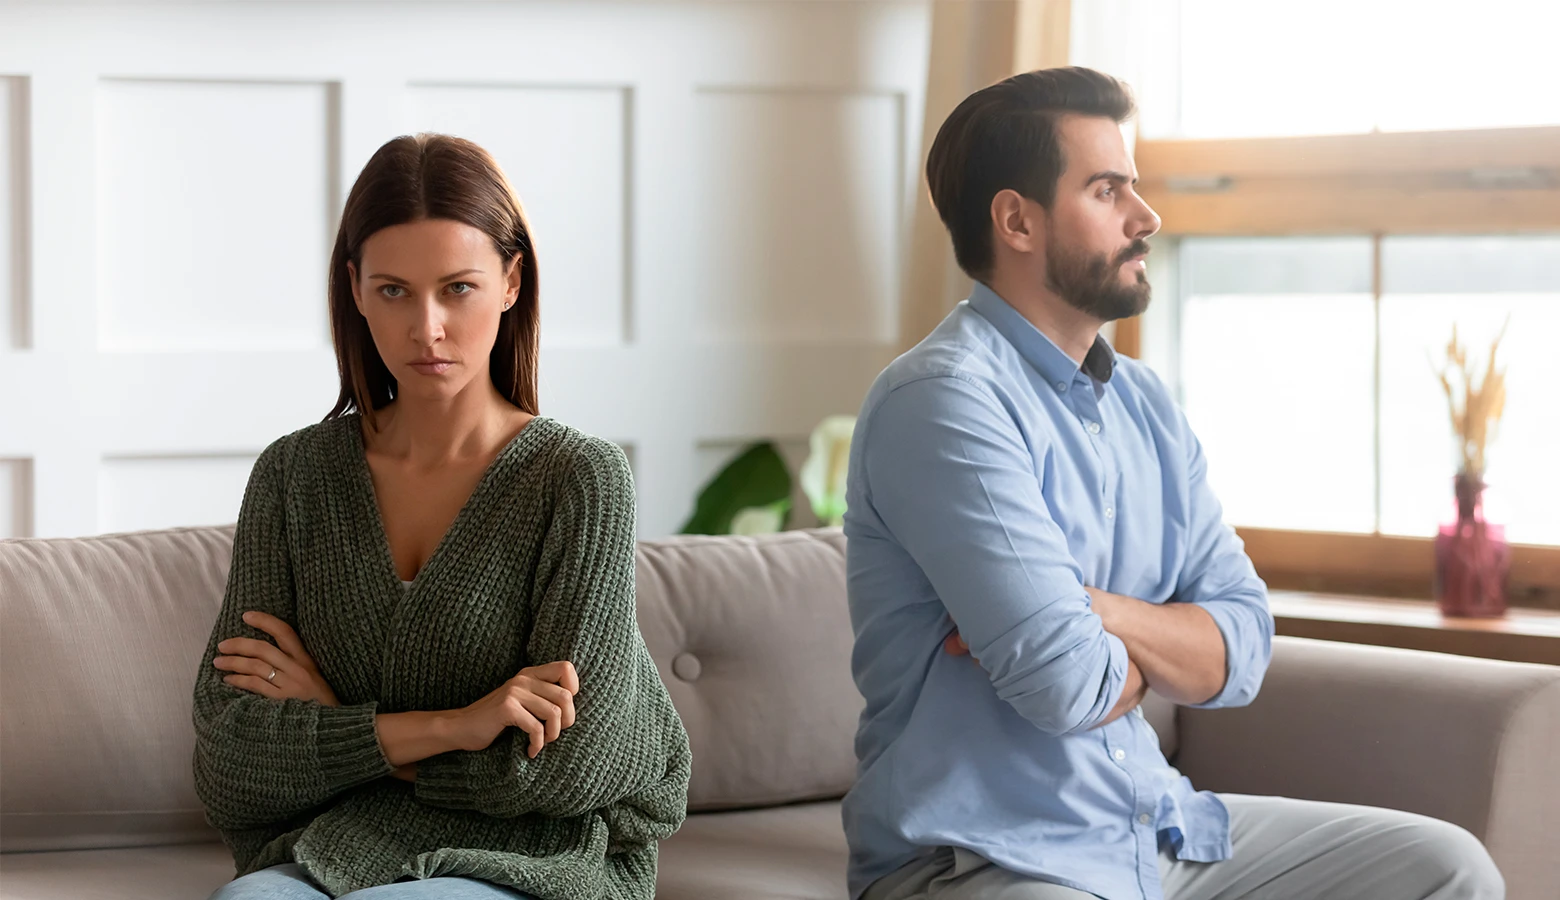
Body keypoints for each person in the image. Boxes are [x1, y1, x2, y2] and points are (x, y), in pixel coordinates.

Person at [839, 67, 1503, 900]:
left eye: (1136, 188)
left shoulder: (1143, 402)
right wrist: (1161, 640)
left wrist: (1095, 609)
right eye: (1109, 190)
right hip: (991, 858)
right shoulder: (942, 401)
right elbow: (1066, 685)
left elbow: (1245, 646)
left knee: (1446, 869)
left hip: (1159, 831)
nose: (1147, 218)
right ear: (1017, 220)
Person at [191, 133, 691, 900]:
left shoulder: (578, 480)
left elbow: (569, 764)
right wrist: (459, 725)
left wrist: (344, 729)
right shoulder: (292, 476)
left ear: (511, 281)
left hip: (535, 861)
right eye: (394, 290)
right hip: (335, 846)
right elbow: (231, 760)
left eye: (457, 288)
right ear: (355, 288)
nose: (426, 328)